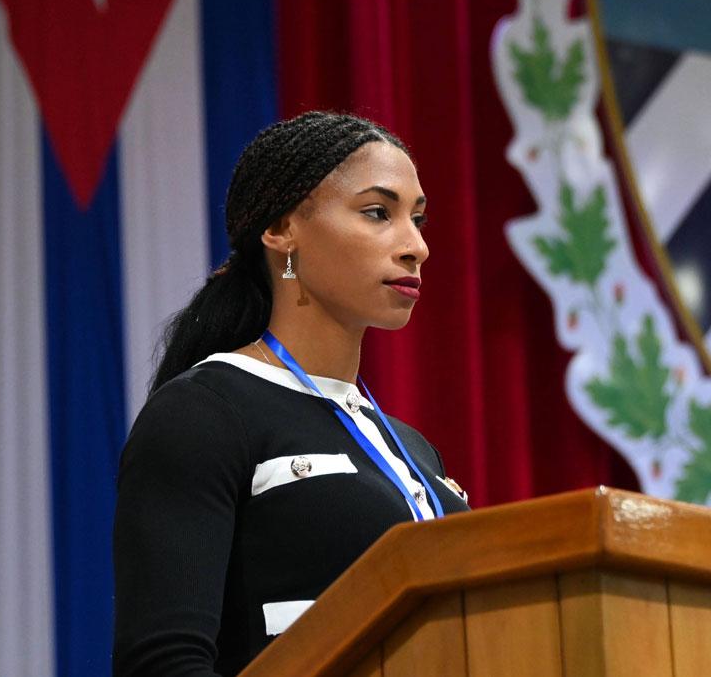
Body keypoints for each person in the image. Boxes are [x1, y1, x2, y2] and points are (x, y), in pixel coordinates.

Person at [112, 111, 470, 677]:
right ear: (282, 230)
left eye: (419, 219)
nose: (416, 247)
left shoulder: (413, 451)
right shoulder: (205, 412)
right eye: (379, 213)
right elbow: (164, 662)